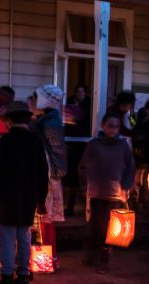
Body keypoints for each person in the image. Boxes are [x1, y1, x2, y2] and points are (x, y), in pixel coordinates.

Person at [0, 102, 49, 284]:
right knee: (24, 235)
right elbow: (42, 171)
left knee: (6, 238)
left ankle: (7, 279)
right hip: (28, 196)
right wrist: (41, 199)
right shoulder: (36, 140)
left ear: (9, 120)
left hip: (7, 195)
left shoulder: (6, 141)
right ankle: (23, 278)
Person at [79, 112, 135, 274]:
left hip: (115, 193)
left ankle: (105, 259)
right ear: (103, 126)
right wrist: (85, 186)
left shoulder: (123, 146)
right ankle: (92, 257)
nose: (113, 129)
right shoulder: (94, 145)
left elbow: (130, 168)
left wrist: (126, 186)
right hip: (96, 192)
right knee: (95, 226)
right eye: (110, 126)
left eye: (117, 126)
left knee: (110, 229)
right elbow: (83, 167)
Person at [31, 84, 68, 270]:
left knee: (45, 216)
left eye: (35, 97)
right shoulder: (45, 120)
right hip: (44, 172)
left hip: (46, 174)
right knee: (44, 218)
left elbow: (57, 151)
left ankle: (46, 259)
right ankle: (45, 258)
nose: (32, 101)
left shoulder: (49, 123)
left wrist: (54, 175)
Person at [63, 85, 91, 216]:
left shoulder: (90, 104)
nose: (80, 93)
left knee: (74, 175)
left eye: (82, 91)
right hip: (68, 146)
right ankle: (68, 205)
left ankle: (72, 206)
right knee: (70, 175)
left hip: (79, 147)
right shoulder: (68, 102)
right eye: (78, 91)